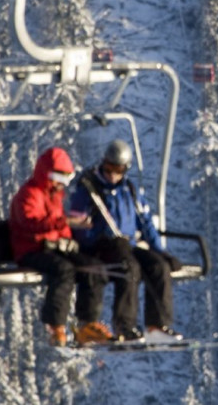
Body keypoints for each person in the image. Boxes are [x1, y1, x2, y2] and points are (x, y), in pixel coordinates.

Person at [69, 139, 184, 343]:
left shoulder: (129, 190)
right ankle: (125, 326)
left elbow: (145, 223)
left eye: (118, 169)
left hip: (127, 244)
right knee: (129, 268)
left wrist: (160, 251)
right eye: (108, 167)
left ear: (125, 169)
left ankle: (157, 325)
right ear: (103, 163)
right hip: (100, 246)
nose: (112, 173)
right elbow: (76, 224)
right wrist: (94, 238)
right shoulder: (88, 189)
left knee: (158, 267)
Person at [9, 147, 114, 347]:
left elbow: (58, 224)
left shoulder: (54, 195)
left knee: (92, 266)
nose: (61, 184)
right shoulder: (29, 194)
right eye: (60, 178)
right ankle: (56, 326)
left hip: (52, 247)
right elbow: (30, 224)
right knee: (64, 270)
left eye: (66, 179)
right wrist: (64, 223)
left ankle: (87, 324)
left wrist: (68, 238)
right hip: (31, 250)